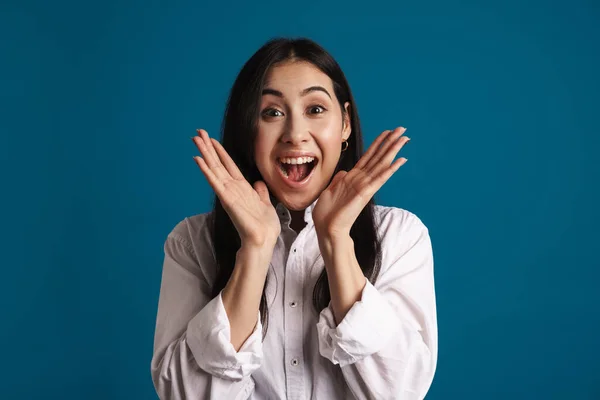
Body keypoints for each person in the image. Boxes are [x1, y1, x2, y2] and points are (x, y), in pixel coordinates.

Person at [150, 37, 437, 400]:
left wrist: (335, 240)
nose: (295, 135)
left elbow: (399, 392)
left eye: (315, 109)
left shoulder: (400, 236)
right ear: (247, 129)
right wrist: (254, 250)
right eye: (271, 112)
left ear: (345, 123)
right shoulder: (192, 242)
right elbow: (185, 395)